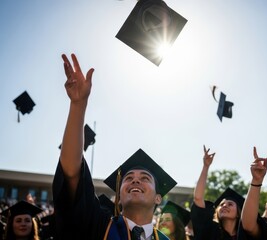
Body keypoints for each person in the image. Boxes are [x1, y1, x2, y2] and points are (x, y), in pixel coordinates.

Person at [53, 53, 177, 239]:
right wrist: (78, 105)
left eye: (145, 178)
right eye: (128, 178)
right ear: (118, 197)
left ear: (158, 198)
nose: (135, 180)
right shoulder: (98, 226)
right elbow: (71, 174)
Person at [191, 145, 245, 240]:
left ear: (238, 213)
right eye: (221, 204)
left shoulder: (245, 235)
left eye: (230, 204)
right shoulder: (209, 230)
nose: (224, 205)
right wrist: (206, 166)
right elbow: (198, 198)